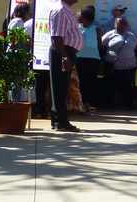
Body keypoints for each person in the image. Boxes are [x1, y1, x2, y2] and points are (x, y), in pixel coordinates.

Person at [46, 0, 83, 132]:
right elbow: (57, 37)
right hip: (62, 52)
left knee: (62, 88)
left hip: (66, 52)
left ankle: (60, 121)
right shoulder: (60, 10)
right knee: (59, 88)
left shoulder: (65, 9)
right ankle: (60, 122)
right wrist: (64, 56)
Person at [101, 18, 137, 109]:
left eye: (123, 24)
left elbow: (136, 48)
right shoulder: (109, 34)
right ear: (115, 25)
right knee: (111, 86)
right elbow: (102, 45)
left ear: (126, 25)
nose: (121, 25)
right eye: (119, 24)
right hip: (114, 67)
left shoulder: (131, 35)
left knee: (128, 87)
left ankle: (128, 105)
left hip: (129, 67)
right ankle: (109, 105)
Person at [76, 6, 103, 110]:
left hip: (93, 59)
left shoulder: (96, 29)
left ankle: (87, 103)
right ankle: (80, 103)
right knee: (80, 82)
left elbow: (99, 44)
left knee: (90, 82)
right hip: (79, 58)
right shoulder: (77, 27)